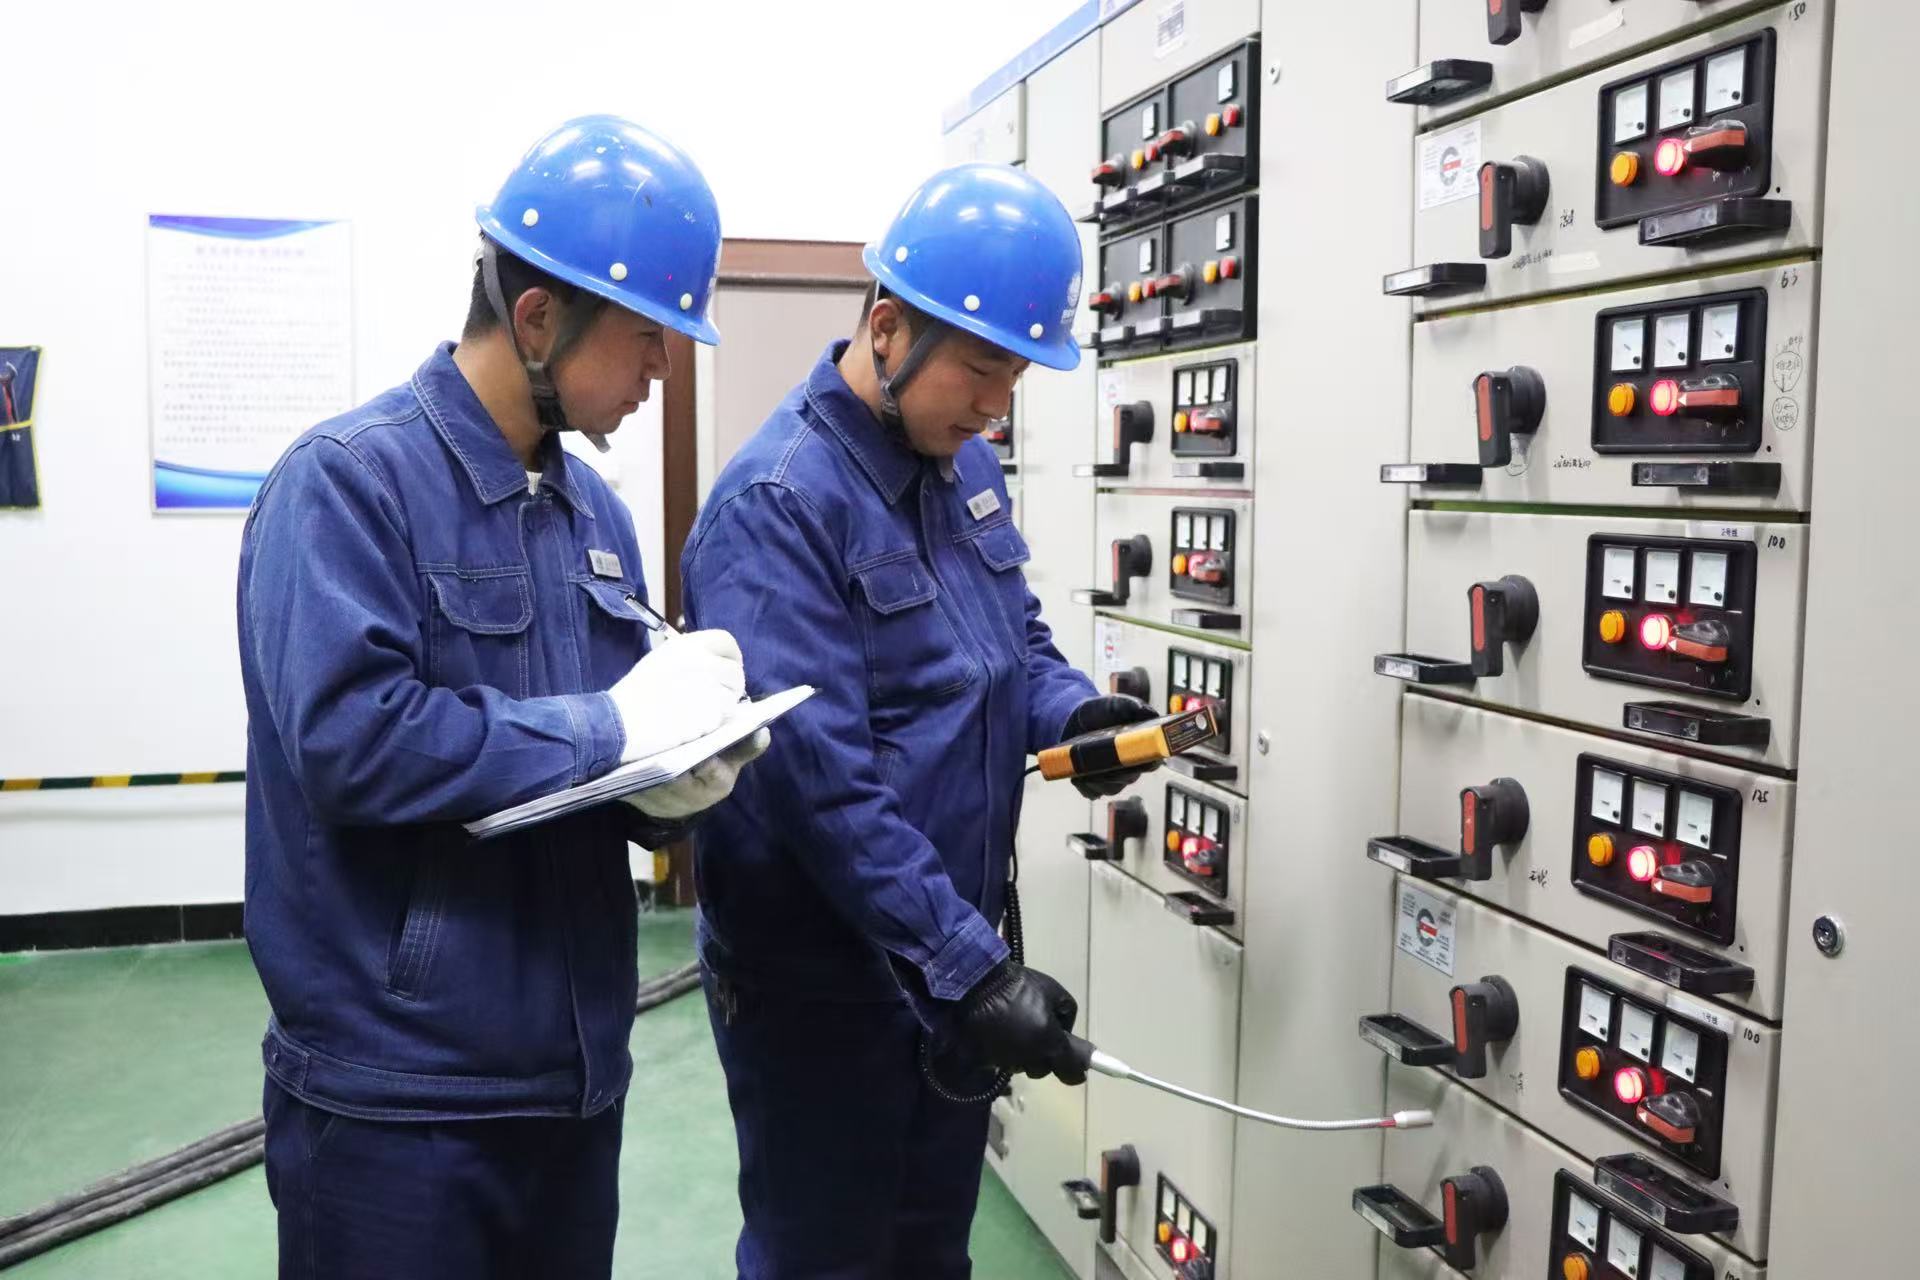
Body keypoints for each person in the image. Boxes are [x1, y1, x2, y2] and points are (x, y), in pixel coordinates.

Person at [237, 115, 762, 1279]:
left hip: (570, 1085)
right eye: (646, 336)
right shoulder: (348, 484)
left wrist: (680, 777)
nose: (663, 370)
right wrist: (613, 725)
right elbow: (353, 741)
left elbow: (594, 774)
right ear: (536, 318)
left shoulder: (595, 516)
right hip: (399, 1104)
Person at [681, 162, 1161, 1277]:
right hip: (825, 985)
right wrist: (973, 969)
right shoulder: (778, 504)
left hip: (943, 966)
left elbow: (1011, 637)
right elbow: (820, 784)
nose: (998, 404)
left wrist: (1075, 713)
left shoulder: (958, 460)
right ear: (888, 328)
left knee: (928, 1252)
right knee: (825, 1258)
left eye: (1016, 376)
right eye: (983, 369)